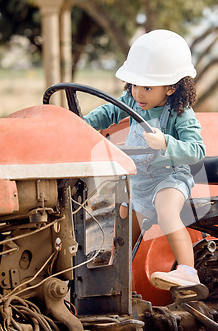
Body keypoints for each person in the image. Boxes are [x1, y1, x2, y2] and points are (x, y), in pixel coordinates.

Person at [83, 29, 205, 290]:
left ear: (171, 87)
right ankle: (113, 285)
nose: (138, 93)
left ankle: (187, 271)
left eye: (147, 87)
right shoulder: (133, 100)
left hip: (169, 176)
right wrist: (82, 124)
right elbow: (109, 111)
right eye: (135, 84)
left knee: (167, 211)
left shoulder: (180, 114)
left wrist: (166, 143)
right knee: (123, 231)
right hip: (137, 179)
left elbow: (197, 151)